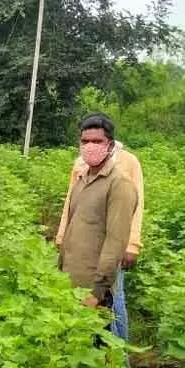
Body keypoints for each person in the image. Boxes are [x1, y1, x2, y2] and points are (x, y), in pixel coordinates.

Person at [55, 118, 143, 341]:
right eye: (85, 141)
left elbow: (115, 242)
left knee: (96, 348)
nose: (90, 146)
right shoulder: (82, 180)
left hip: (94, 289)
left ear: (110, 145)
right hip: (72, 282)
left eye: (97, 141)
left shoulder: (119, 185)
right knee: (74, 348)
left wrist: (97, 292)